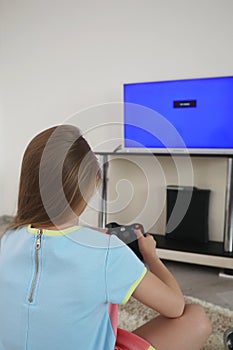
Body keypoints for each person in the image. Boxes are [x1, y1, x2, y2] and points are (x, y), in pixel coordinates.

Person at [0, 124, 211, 350]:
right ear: (86, 189)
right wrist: (151, 257)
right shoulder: (107, 252)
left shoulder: (7, 239)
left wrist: (89, 235)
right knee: (196, 318)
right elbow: (176, 307)